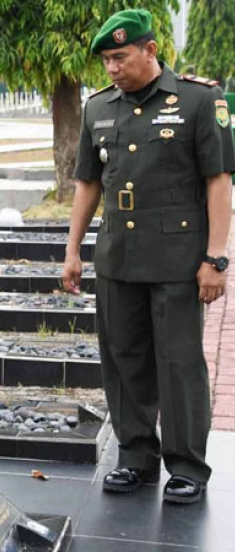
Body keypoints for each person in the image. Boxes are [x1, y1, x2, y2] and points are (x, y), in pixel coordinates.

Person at [62, 9, 234, 505]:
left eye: (120, 57)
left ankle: (186, 465)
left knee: (179, 363)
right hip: (117, 257)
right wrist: (73, 251)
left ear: (150, 50)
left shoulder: (200, 101)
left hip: (179, 259)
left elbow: (219, 182)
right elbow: (87, 184)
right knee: (124, 360)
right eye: (106, 61)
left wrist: (216, 259)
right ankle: (136, 456)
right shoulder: (98, 109)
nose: (112, 68)